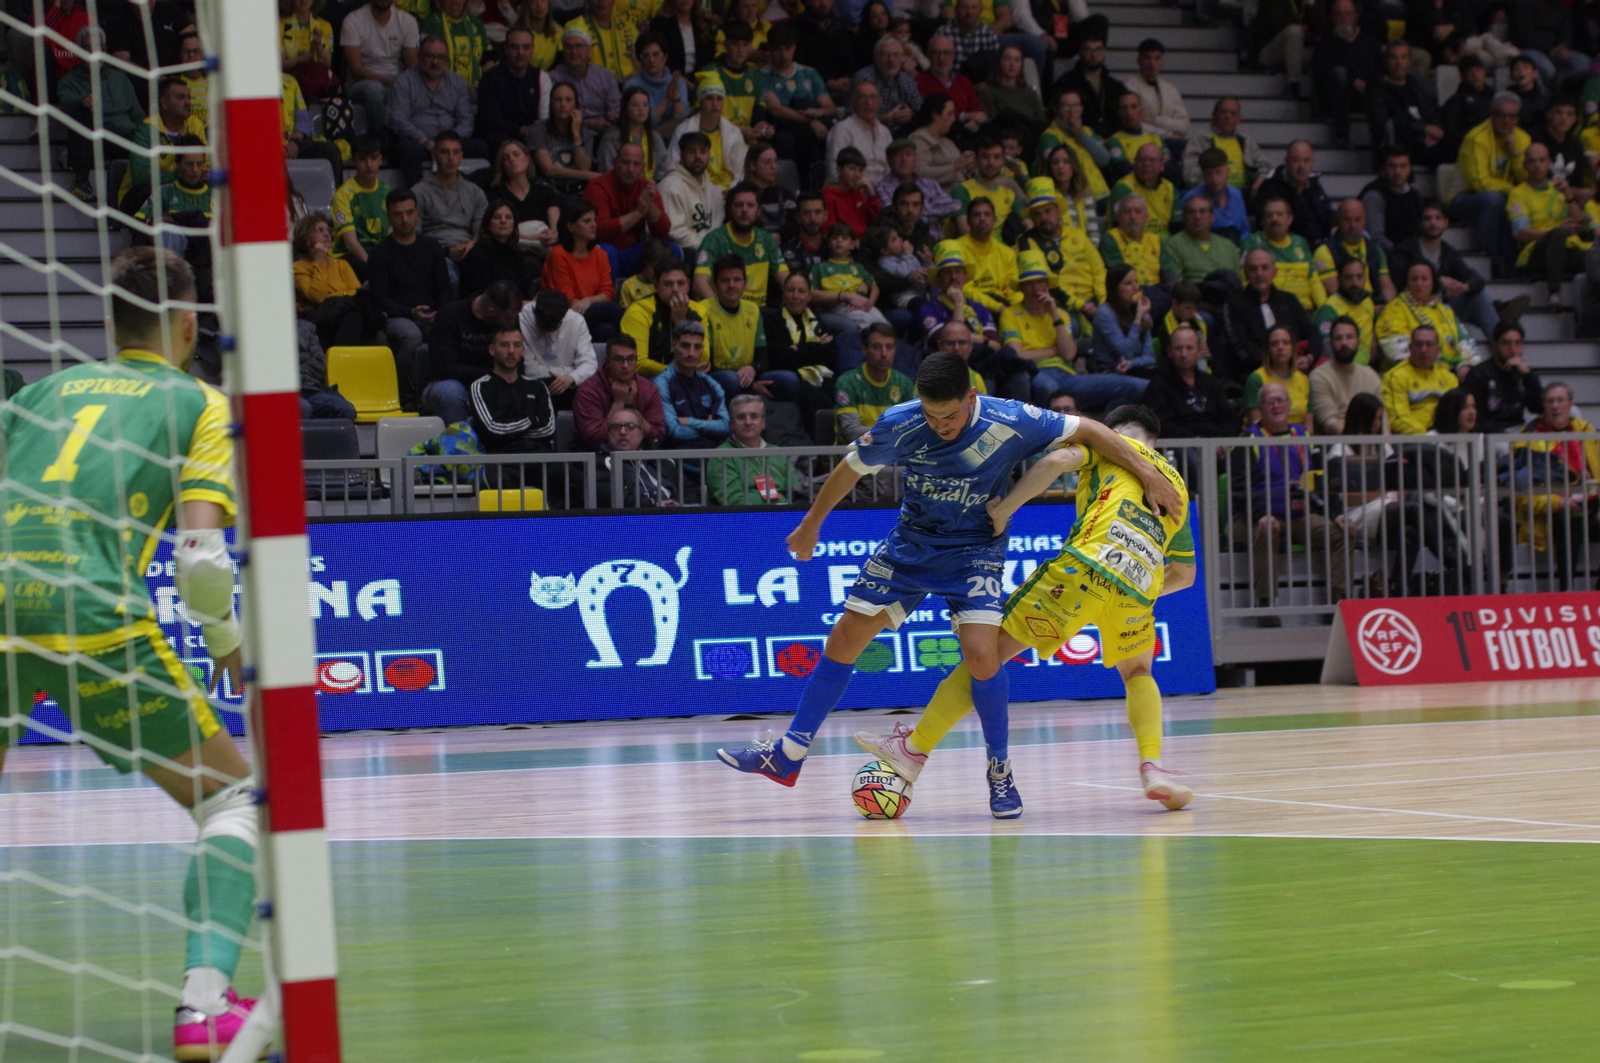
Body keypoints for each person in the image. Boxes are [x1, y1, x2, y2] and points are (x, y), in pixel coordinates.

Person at [717, 351, 1183, 812]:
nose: (939, 424)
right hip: (912, 544)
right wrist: (812, 523)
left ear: (972, 397)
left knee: (983, 655)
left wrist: (1145, 470)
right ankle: (789, 754)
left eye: (949, 415)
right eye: (930, 414)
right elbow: (850, 468)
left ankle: (999, 773)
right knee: (845, 637)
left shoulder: (1012, 417)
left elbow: (1089, 429)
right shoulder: (902, 421)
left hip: (975, 549)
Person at [0, 247, 254, 1057]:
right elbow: (203, 560)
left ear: (110, 324)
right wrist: (226, 644)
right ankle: (204, 1006)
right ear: (188, 325)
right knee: (231, 803)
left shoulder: (33, 396)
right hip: (91, 614)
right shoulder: (199, 401)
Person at [849, 401, 1195, 814]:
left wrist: (1004, 509)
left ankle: (913, 748)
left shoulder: (1108, 447)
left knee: (988, 657)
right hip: (1137, 590)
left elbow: (1056, 460)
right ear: (1154, 440)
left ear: (1112, 431)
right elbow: (1185, 574)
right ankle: (1152, 766)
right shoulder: (1176, 488)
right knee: (1139, 672)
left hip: (1082, 571)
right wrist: (1132, 590)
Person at [1234, 380, 1349, 622]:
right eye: (1270, 401)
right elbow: (1239, 488)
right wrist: (1261, 515)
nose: (1277, 406)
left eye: (1281, 400)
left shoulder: (1304, 435)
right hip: (1262, 515)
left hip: (1300, 512)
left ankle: (1338, 604)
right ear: (1261, 408)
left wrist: (1337, 512)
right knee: (1266, 531)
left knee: (1341, 532)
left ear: (1289, 404)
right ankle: (1266, 607)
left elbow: (1322, 479)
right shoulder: (1249, 439)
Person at [366, 188, 453, 406]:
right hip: (398, 315)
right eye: (398, 214)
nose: (404, 219)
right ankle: (406, 396)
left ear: (416, 213)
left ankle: (442, 392)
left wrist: (439, 313)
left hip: (432, 312)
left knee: (446, 330)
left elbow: (444, 287)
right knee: (411, 335)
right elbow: (379, 298)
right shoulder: (380, 253)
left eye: (409, 212)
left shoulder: (432, 247)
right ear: (389, 216)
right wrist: (410, 312)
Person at [1390, 199, 1516, 338]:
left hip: (1444, 311)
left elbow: (1475, 278)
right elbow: (1399, 277)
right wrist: (1438, 281)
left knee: (1478, 297)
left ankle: (1502, 348)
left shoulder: (1448, 252)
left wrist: (1464, 287)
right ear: (1420, 223)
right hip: (1413, 309)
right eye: (1428, 219)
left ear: (1446, 222)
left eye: (1438, 218)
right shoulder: (1404, 250)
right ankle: (1500, 312)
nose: (1433, 223)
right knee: (1434, 292)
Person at [59, 25, 144, 202]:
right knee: (79, 112)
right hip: (97, 140)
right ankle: (81, 181)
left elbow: (138, 115)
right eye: (88, 48)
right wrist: (82, 101)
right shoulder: (69, 81)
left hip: (126, 138)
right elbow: (66, 102)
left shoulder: (119, 77)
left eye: (98, 47)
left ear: (105, 50)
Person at [424, 280, 525, 424]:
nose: (513, 321)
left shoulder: (507, 319)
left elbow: (516, 360)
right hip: (448, 384)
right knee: (451, 392)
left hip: (493, 383)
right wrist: (493, 376)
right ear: (491, 311)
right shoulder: (450, 316)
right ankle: (458, 443)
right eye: (509, 318)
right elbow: (445, 368)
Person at [1450, 92, 1528, 276]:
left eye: (1512, 116)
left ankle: (1522, 263)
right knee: (1493, 200)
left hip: (1504, 196)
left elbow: (1527, 177)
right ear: (1492, 114)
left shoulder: (1522, 138)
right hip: (1463, 199)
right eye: (1501, 115)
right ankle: (1491, 260)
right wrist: (1515, 191)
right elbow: (1479, 183)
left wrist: (1514, 153)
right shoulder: (1476, 138)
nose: (1506, 121)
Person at [389, 36, 482, 188]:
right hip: (419, 142)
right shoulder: (403, 81)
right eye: (429, 56)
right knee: (408, 150)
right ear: (419, 57)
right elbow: (399, 120)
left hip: (451, 139)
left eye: (440, 57)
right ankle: (417, 199)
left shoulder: (457, 82)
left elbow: (466, 119)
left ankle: (466, 195)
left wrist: (451, 142)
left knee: (481, 147)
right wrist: (424, 141)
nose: (435, 62)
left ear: (447, 60)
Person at [1016, 175, 1104, 332]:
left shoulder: (1079, 235)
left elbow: (1099, 270)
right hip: (1059, 304)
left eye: (1048, 211)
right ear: (1032, 218)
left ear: (1058, 211)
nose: (1044, 217)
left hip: (1093, 300)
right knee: (1073, 328)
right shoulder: (1027, 242)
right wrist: (1081, 305)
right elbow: (1045, 284)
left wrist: (1103, 301)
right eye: (1037, 214)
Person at [704, 253, 799, 399]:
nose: (731, 285)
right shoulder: (704, 310)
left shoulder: (753, 309)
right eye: (725, 280)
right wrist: (749, 384)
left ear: (745, 283)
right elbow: (707, 365)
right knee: (731, 380)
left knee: (789, 380)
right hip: (720, 377)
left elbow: (763, 359)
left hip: (747, 376)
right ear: (714, 285)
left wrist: (754, 369)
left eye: (737, 280)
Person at [1508, 141, 1585, 310]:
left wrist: (1569, 196)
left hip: (1565, 249)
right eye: (1532, 161)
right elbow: (1521, 233)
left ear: (1549, 163)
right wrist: (1555, 232)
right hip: (1535, 254)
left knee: (1593, 256)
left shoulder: (1558, 189)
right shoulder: (1518, 193)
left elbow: (1582, 225)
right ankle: (1554, 294)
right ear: (1525, 165)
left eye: (1542, 160)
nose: (1537, 165)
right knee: (1557, 235)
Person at [117, 76, 207, 218]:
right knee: (146, 190)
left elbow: (206, 168)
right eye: (180, 97)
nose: (188, 102)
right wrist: (182, 175)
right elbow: (142, 177)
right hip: (141, 197)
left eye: (188, 98)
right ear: (164, 103)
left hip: (182, 193)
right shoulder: (147, 129)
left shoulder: (195, 125)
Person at [470, 326, 558, 467]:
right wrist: (530, 419)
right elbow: (491, 430)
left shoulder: (538, 387)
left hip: (539, 458)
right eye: (504, 345)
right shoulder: (481, 386)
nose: (511, 351)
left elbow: (548, 429)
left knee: (575, 480)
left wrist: (508, 431)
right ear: (492, 350)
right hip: (500, 460)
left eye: (517, 345)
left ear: (522, 350)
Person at [584, 141, 671, 280]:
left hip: (633, 252)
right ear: (615, 162)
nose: (631, 169)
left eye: (636, 164)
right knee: (607, 252)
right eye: (625, 162)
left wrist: (650, 206)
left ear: (643, 167)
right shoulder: (598, 186)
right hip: (601, 251)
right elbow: (598, 230)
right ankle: (608, 297)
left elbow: (663, 232)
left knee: (672, 250)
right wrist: (638, 213)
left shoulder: (646, 187)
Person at [758, 21, 834, 179]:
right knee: (803, 133)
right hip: (784, 125)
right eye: (778, 48)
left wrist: (819, 112)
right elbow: (776, 109)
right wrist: (810, 121)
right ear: (770, 48)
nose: (783, 54)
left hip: (814, 120)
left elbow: (830, 107)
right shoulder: (763, 75)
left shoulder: (810, 74)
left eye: (788, 48)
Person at [1375, 259, 1479, 373]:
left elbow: (1464, 340)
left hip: (1449, 372)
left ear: (1433, 282)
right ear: (1406, 282)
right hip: (1412, 373)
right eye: (1414, 279)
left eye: (1424, 279)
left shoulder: (1445, 310)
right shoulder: (1394, 309)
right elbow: (1396, 351)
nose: (1419, 284)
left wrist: (1466, 365)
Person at [1225, 248, 1317, 375]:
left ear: (1274, 272)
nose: (1259, 274)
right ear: (1245, 274)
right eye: (1253, 269)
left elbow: (1312, 333)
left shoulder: (1289, 300)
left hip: (1297, 369)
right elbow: (1240, 346)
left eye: (1265, 268)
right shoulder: (1235, 304)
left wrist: (1309, 357)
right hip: (1257, 372)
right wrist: (1278, 364)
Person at [694, 183, 787, 306]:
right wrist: (718, 310)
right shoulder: (714, 239)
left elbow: (787, 281)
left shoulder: (766, 240)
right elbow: (699, 284)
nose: (744, 210)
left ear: (758, 211)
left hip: (758, 314)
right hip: (725, 311)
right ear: (730, 210)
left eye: (750, 205)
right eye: (738, 205)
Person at [543, 200, 624, 340]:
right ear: (570, 226)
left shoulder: (600, 254)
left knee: (606, 331)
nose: (593, 225)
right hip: (564, 315)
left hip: (591, 312)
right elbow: (567, 299)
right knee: (617, 311)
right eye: (587, 221)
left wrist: (587, 301)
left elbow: (607, 293)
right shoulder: (558, 254)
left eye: (594, 220)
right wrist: (588, 303)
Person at [292, 212, 373, 352]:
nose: (327, 234)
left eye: (328, 230)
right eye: (320, 230)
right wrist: (318, 262)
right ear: (306, 239)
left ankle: (340, 363)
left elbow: (357, 294)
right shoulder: (298, 267)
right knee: (353, 316)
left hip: (344, 317)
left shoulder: (341, 264)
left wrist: (332, 296)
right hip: (318, 320)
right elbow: (317, 296)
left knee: (353, 315)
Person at [342, 0, 422, 136]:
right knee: (375, 90)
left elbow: (412, 67)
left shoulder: (407, 21)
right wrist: (392, 82)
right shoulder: (353, 20)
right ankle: (381, 139)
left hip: (397, 82)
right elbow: (355, 70)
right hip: (360, 85)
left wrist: (399, 84)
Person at [574, 335, 668, 447]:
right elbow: (594, 438)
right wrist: (619, 403)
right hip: (594, 457)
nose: (625, 365)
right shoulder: (588, 391)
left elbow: (658, 435)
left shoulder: (649, 389)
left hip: (639, 456)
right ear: (607, 361)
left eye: (631, 359)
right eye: (618, 359)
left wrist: (630, 407)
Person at [1365, 40, 1448, 166]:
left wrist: (1435, 131)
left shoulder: (1414, 84)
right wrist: (1424, 129)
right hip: (1395, 150)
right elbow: (1386, 124)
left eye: (1403, 57)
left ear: (1410, 61)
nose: (1399, 63)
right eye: (1394, 57)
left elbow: (1431, 112)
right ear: (1386, 60)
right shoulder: (1376, 88)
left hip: (1424, 143)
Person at [1144, 324, 1236, 438]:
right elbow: (1162, 425)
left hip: (1215, 446)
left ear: (1199, 351)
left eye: (1189, 348)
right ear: (1169, 351)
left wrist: (1221, 442)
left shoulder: (1210, 382)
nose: (1184, 354)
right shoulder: (1158, 385)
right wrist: (1194, 442)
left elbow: (1227, 417)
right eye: (1178, 348)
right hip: (1179, 449)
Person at [517, 287, 597, 410]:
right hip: (536, 385)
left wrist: (571, 378)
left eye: (551, 329)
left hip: (571, 386)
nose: (544, 332)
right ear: (535, 312)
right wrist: (572, 371)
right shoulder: (522, 320)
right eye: (541, 326)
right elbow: (530, 370)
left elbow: (589, 365)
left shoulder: (577, 321)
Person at [477, 27, 557, 150]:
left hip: (533, 135)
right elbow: (490, 119)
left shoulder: (541, 77)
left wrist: (535, 129)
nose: (520, 52)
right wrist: (521, 130)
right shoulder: (491, 78)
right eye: (515, 47)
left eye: (526, 47)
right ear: (506, 49)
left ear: (532, 50)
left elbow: (545, 117)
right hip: (499, 136)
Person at [1313, 0, 1379, 148]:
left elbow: (1379, 69)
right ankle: (1342, 134)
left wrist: (1368, 85)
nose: (1344, 18)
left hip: (1369, 94)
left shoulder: (1369, 42)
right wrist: (1353, 81)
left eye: (1348, 13)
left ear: (1356, 16)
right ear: (1332, 17)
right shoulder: (1324, 44)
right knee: (1339, 74)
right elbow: (1321, 74)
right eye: (1339, 14)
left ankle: (1381, 143)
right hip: (1338, 97)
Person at [832, 322, 914, 442]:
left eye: (889, 347)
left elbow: (912, 429)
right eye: (876, 347)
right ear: (864, 350)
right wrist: (892, 432)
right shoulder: (847, 382)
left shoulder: (904, 383)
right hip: (856, 455)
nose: (884, 354)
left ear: (895, 350)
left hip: (893, 455)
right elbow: (851, 433)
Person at [665, 75, 747, 189]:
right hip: (694, 190)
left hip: (728, 193)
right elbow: (673, 169)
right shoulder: (684, 130)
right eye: (709, 98)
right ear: (700, 102)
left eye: (719, 98)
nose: (715, 104)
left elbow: (741, 172)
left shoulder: (734, 132)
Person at [656, 320, 729, 446]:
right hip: (677, 458)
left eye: (697, 347)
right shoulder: (662, 383)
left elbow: (725, 427)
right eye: (685, 346)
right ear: (673, 346)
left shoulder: (711, 383)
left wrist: (690, 422)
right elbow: (674, 432)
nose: (691, 353)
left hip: (713, 457)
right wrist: (710, 427)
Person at [707, 394, 792, 504]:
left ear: (763, 423)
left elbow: (795, 493)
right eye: (741, 417)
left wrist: (753, 496)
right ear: (732, 423)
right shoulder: (720, 456)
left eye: (754, 416)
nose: (748, 422)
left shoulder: (779, 453)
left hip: (785, 518)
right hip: (739, 520)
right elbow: (735, 503)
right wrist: (776, 500)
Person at [1241, 195, 1320, 311]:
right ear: (1262, 221)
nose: (1274, 219)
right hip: (1272, 310)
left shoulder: (1300, 242)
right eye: (1269, 215)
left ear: (1289, 219)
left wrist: (1324, 308)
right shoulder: (1252, 242)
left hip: (1305, 310)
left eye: (1279, 214)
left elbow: (1314, 281)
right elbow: (1244, 281)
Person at [1462, 320, 1542, 433]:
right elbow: (1475, 420)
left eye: (1517, 343)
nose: (1513, 349)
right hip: (1489, 435)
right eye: (1506, 343)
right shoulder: (1479, 374)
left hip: (1518, 430)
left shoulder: (1524, 373)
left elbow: (1540, 408)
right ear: (1495, 345)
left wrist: (1528, 376)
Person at [486, 139, 562, 254]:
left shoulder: (545, 191)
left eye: (516, 154)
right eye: (506, 158)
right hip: (511, 250)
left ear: (527, 160)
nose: (512, 159)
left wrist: (552, 235)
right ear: (503, 166)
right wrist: (535, 240)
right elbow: (499, 229)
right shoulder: (496, 195)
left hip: (545, 248)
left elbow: (555, 227)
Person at [330, 136, 393, 274]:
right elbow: (350, 243)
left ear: (380, 159)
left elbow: (391, 233)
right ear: (353, 161)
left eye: (374, 158)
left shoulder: (388, 191)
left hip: (378, 253)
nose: (369, 164)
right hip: (347, 256)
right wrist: (374, 264)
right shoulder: (343, 195)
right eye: (362, 159)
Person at [1312, 198, 1394, 303]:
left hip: (1375, 307)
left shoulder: (1376, 249)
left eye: (1358, 219)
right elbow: (1335, 293)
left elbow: (1387, 286)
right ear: (1338, 221)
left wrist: (1387, 307)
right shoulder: (1324, 251)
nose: (1353, 225)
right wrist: (1370, 309)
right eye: (1347, 220)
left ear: (1365, 220)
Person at [1382, 324, 1460, 434]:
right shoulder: (1395, 377)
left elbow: (1457, 414)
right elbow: (1397, 418)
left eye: (1429, 344)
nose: (1423, 349)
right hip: (1412, 442)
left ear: (1438, 349)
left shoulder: (1449, 378)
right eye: (1418, 344)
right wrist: (1425, 437)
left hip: (1445, 438)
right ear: (1410, 348)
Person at [1309, 316, 1382, 434]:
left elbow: (1383, 419)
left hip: (1371, 445)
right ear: (1331, 343)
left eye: (1350, 337)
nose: (1344, 343)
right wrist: (1359, 446)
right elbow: (1329, 422)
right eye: (1338, 338)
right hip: (1336, 448)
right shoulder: (1319, 376)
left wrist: (1386, 448)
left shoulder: (1370, 375)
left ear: (1359, 341)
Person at [1181, 97, 1267, 195]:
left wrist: (1260, 180)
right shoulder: (1200, 140)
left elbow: (1265, 166)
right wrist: (1215, 184)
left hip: (1244, 194)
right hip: (1209, 193)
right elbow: (1189, 174)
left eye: (1233, 113)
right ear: (1214, 115)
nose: (1227, 116)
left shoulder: (1247, 142)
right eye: (1223, 112)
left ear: (1238, 119)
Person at [529, 80, 603, 195]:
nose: (562, 104)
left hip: (579, 190)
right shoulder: (538, 131)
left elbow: (584, 167)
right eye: (558, 99)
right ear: (551, 104)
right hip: (549, 191)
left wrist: (576, 135)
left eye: (568, 100)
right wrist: (589, 175)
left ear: (575, 105)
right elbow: (549, 170)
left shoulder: (586, 133)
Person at [1049, 29, 1126, 138]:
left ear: (1104, 52)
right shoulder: (1066, 82)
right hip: (1079, 138)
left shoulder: (1115, 86)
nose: (1094, 54)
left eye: (1098, 49)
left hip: (1114, 141)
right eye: (1088, 49)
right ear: (1080, 53)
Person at [1257, 140, 1335, 244]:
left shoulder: (1315, 187)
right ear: (1286, 161)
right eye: (1296, 160)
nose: (1301, 166)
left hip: (1320, 248)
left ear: (1312, 163)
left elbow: (1329, 216)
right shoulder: (1270, 188)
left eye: (1306, 161)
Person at [459, 201, 539, 298]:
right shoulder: (476, 255)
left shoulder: (516, 253)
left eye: (508, 217)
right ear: (487, 224)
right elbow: (483, 295)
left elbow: (523, 291)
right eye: (497, 217)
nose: (503, 221)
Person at [660, 131, 723, 254]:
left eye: (703, 151)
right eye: (691, 152)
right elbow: (675, 233)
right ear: (682, 156)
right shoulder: (670, 186)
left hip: (708, 250)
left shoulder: (713, 189)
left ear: (709, 154)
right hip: (682, 253)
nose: (698, 156)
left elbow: (716, 226)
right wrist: (707, 248)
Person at [1088, 264, 1155, 380]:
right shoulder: (1105, 313)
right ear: (1115, 289)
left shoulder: (1140, 312)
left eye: (1136, 281)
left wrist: (1131, 363)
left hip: (1135, 370)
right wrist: (1138, 318)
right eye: (1128, 283)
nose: (1136, 287)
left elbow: (1150, 357)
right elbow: (1126, 351)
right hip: (1110, 373)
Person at [950, 197, 1017, 313]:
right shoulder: (956, 249)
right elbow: (964, 289)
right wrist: (998, 307)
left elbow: (1013, 289)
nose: (982, 219)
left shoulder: (1007, 252)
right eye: (976, 215)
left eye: (987, 214)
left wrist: (1017, 308)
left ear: (994, 220)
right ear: (968, 221)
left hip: (1004, 306)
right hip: (971, 305)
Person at [551, 25, 623, 132]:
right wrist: (585, 123)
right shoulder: (554, 77)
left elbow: (616, 109)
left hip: (604, 130)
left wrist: (613, 117)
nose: (573, 51)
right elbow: (553, 116)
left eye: (579, 46)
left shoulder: (605, 76)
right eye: (568, 47)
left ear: (589, 50)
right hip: (568, 131)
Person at [1160, 196, 1240, 287]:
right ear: (1185, 217)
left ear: (1212, 217)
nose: (1197, 216)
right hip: (1193, 298)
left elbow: (1237, 282)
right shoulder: (1172, 245)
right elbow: (1174, 286)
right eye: (1191, 212)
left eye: (1202, 211)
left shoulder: (1228, 246)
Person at [1245, 325, 1314, 430]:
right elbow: (1256, 426)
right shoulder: (1256, 379)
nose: (1280, 347)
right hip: (1265, 441)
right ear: (1268, 349)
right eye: (1274, 344)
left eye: (1286, 342)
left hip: (1297, 441)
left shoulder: (1304, 379)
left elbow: (1308, 428)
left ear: (1293, 347)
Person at [826, 81, 893, 187]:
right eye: (862, 97)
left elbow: (890, 170)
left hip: (883, 191)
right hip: (853, 191)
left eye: (873, 97)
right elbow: (834, 173)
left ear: (879, 102)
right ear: (852, 101)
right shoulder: (842, 129)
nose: (869, 103)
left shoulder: (885, 132)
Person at [917, 34, 986, 137]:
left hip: (965, 133)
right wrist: (964, 116)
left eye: (946, 53)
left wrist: (974, 123)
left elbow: (980, 114)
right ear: (928, 55)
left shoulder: (963, 81)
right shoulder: (919, 81)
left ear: (953, 55)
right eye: (936, 53)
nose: (941, 58)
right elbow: (929, 114)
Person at [1312, 259, 1379, 365]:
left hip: (1368, 368)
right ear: (1339, 279)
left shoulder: (1367, 302)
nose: (1355, 283)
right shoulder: (1329, 309)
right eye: (1348, 277)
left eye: (1359, 276)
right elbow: (1327, 351)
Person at [879, 139, 960, 225]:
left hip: (938, 237)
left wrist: (920, 212)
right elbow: (896, 216)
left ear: (915, 158)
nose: (904, 159)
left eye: (909, 154)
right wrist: (933, 208)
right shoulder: (883, 187)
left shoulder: (930, 183)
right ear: (889, 160)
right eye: (898, 155)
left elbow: (952, 207)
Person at [1359, 148, 1425, 251]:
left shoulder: (1414, 195)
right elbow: (1375, 238)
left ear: (1410, 168)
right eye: (1392, 166)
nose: (1397, 172)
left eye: (1403, 166)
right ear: (1384, 168)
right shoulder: (1374, 195)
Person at [1179, 147, 1250, 243]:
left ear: (1228, 171)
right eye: (1208, 174)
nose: (1214, 178)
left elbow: (1244, 230)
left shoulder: (1236, 194)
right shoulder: (1191, 198)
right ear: (1202, 175)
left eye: (1218, 172)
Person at [855, 34, 922, 136]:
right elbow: (853, 118)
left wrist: (911, 114)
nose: (891, 60)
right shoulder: (864, 79)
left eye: (895, 55)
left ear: (901, 59)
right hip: (868, 133)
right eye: (886, 55)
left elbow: (921, 110)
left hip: (903, 135)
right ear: (876, 57)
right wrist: (887, 118)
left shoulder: (907, 79)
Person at [976, 45, 1041, 146]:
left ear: (1021, 65)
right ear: (999, 63)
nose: (1012, 64)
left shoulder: (1030, 93)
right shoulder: (988, 92)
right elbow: (990, 125)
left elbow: (1041, 121)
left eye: (1017, 60)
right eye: (1007, 59)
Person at [625, 32, 691, 131]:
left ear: (664, 57)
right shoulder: (632, 86)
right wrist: (666, 100)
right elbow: (644, 121)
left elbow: (682, 118)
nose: (651, 60)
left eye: (656, 54)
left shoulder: (678, 82)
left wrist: (676, 97)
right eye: (645, 56)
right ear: (640, 59)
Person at [297, 317, 359, 422]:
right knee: (304, 408)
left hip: (312, 390)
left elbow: (320, 364)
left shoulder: (306, 328)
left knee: (347, 409)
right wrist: (306, 358)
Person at [1129, 37, 1189, 142]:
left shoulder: (1170, 89)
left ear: (1162, 61)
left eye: (1157, 58)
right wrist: (1169, 134)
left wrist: (1155, 120)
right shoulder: (1129, 88)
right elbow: (1134, 124)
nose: (1152, 63)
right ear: (1139, 61)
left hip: (1170, 145)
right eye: (1147, 58)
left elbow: (1184, 126)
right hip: (1141, 143)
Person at [1099, 194, 1162, 293]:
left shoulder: (1157, 240)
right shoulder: (1110, 239)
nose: (1132, 216)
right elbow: (1119, 277)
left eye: (1138, 212)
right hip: (1126, 294)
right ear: (1119, 216)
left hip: (1157, 291)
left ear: (1146, 217)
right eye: (1127, 212)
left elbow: (1169, 275)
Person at [1109, 141, 1173, 238]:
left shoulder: (1169, 187)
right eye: (1141, 159)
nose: (1146, 164)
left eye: (1152, 160)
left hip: (1165, 246)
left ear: (1162, 165)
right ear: (1134, 163)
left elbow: (1177, 226)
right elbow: (1119, 227)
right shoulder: (1123, 187)